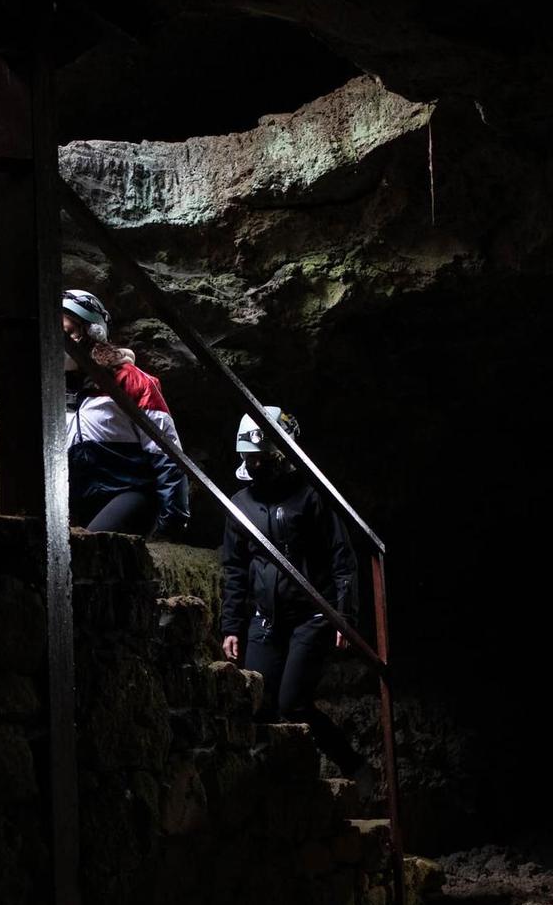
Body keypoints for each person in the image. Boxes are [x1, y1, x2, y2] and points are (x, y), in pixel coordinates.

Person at [218, 406, 375, 788]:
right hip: (265, 620)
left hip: (312, 616)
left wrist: (344, 615)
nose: (255, 465)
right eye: (249, 459)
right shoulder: (240, 506)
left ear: (279, 454)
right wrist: (232, 626)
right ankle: (278, 788)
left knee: (292, 703)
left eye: (262, 457)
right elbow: (236, 570)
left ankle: (354, 766)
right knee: (258, 703)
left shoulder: (310, 498)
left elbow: (342, 557)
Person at [61, 289, 189, 536]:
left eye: (70, 332)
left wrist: (171, 520)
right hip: (80, 500)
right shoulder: (52, 389)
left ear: (93, 332)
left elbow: (167, 453)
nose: (63, 342)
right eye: (56, 334)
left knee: (87, 547)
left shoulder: (131, 382)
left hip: (130, 492)